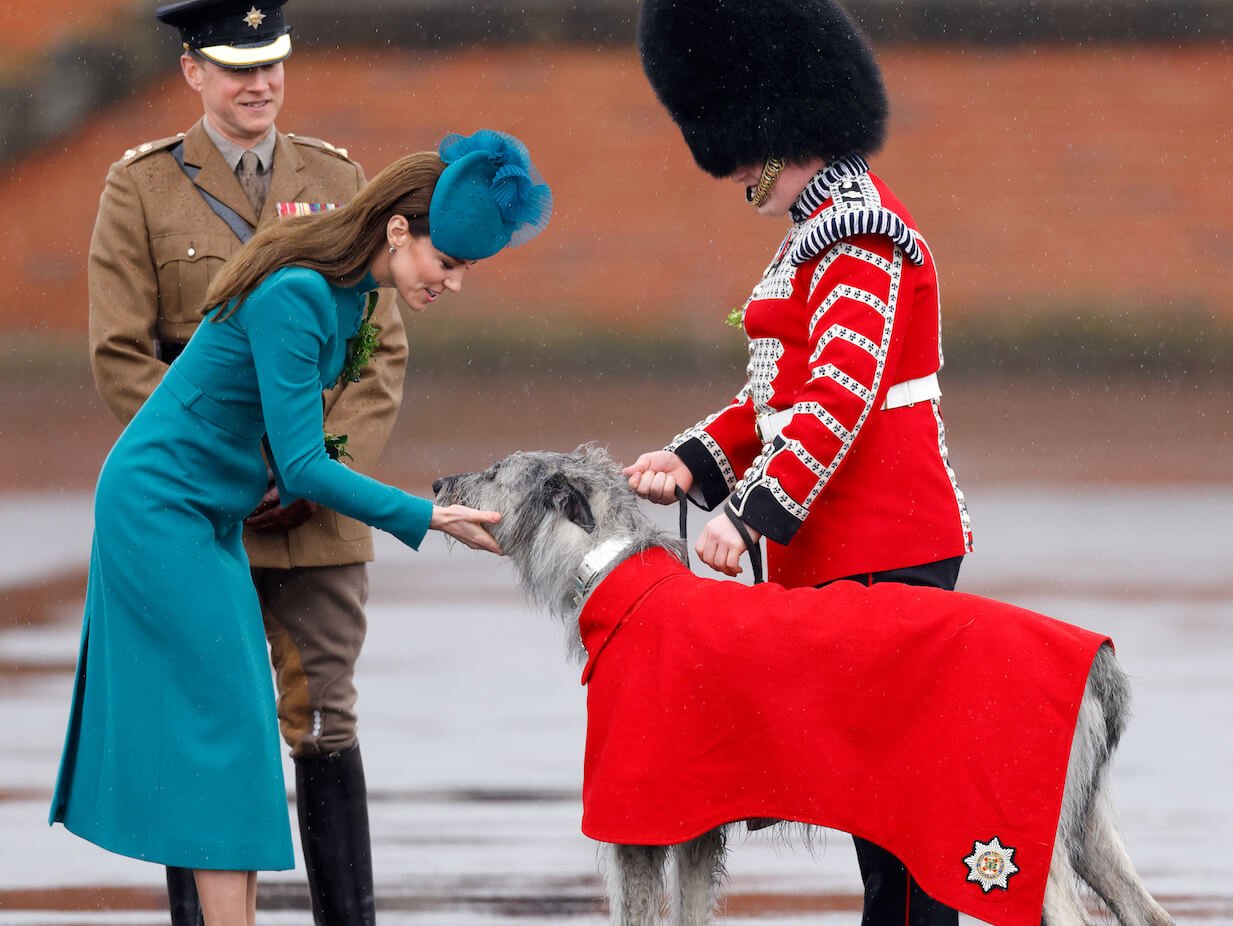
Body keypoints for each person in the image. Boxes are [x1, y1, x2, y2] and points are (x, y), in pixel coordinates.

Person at [50, 128, 553, 926]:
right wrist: (428, 517)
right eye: (446, 263)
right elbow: (306, 464)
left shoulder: (352, 292)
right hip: (159, 510)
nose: (452, 284)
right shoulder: (300, 293)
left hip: (203, 511)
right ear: (397, 230)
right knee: (227, 735)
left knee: (237, 734)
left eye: (464, 271)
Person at [626, 2, 974, 925]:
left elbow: (839, 402)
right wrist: (692, 459)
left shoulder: (861, 232)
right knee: (871, 799)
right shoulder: (814, 230)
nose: (743, 180)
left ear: (785, 130)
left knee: (896, 806)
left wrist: (747, 515)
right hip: (839, 547)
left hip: (886, 542)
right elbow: (775, 396)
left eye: (749, 167)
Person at [86, 2, 408, 921]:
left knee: (326, 722)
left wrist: (319, 464)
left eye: (271, 61)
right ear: (192, 72)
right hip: (196, 510)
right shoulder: (140, 189)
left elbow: (379, 350)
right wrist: (234, 466)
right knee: (199, 729)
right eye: (235, 65)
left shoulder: (341, 180)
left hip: (316, 508)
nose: (259, 81)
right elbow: (121, 354)